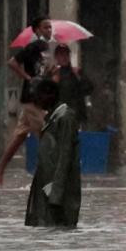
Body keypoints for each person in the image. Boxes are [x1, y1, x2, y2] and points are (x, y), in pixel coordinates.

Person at [0, 15, 54, 186]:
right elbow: (12, 62)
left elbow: (43, 72)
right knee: (47, 135)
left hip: (40, 97)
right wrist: (28, 78)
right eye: (45, 27)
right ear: (37, 30)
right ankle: (46, 177)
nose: (49, 30)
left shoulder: (45, 49)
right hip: (32, 99)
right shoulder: (33, 46)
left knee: (19, 137)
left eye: (50, 27)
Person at [25, 80, 81, 228]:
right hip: (47, 190)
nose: (36, 100)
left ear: (50, 95)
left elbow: (65, 156)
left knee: (60, 231)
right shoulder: (53, 118)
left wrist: (55, 194)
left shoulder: (65, 118)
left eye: (39, 96)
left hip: (59, 196)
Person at [49, 43, 93, 126]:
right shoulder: (52, 73)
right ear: (56, 57)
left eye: (67, 54)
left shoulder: (76, 72)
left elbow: (89, 89)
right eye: (61, 54)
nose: (65, 57)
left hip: (75, 115)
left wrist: (79, 77)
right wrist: (53, 83)